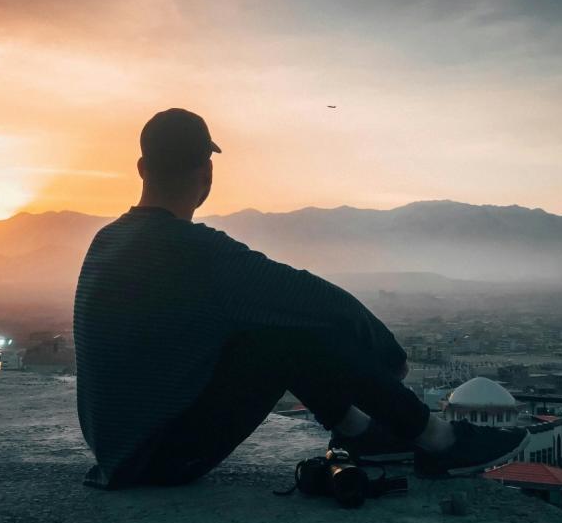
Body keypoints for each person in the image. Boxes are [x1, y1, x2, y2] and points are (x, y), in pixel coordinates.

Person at [74, 108, 529, 489]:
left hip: (119, 450)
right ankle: (438, 440)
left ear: (141, 168)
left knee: (270, 327)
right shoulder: (199, 252)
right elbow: (315, 300)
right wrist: (387, 352)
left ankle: (360, 432)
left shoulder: (106, 242)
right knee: (285, 331)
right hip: (159, 461)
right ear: (207, 172)